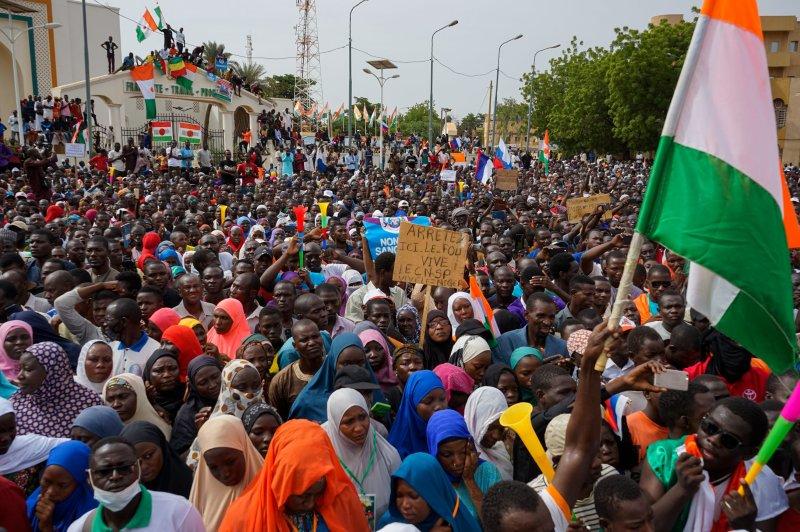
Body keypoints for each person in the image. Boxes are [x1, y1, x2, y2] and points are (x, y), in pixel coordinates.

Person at [640, 397, 788, 531]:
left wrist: (746, 527)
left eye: (729, 440)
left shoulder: (761, 479)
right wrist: (681, 489)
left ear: (749, 453)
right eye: (710, 427)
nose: (713, 440)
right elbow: (645, 528)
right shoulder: (664, 455)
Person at [218, 419, 370, 532]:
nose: (310, 503)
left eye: (317, 493)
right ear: (279, 481)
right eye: (301, 495)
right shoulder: (243, 517)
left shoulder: (343, 500)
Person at [68, 437, 205, 531]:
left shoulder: (179, 512)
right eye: (104, 471)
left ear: (138, 468)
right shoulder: (80, 528)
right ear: (89, 477)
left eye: (124, 468)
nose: (115, 476)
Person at [321, 387, 401, 517]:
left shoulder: (387, 453)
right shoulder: (323, 452)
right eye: (349, 422)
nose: (359, 428)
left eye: (363, 417)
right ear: (335, 424)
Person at [12, 342, 102, 437]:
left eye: (28, 369)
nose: (19, 376)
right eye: (19, 369)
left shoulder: (89, 403)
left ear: (52, 371)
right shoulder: (17, 403)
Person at [288, 332, 381, 422]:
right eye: (346, 364)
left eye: (359, 363)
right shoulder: (308, 404)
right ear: (333, 363)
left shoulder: (372, 393)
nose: (354, 369)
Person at [426, 408, 503, 518]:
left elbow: (496, 524)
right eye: (447, 455)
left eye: (463, 452)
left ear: (471, 446)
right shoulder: (431, 480)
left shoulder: (488, 472)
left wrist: (469, 480)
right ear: (435, 452)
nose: (457, 462)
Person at [378, 452, 481, 531]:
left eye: (413, 496)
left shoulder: (458, 522)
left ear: (433, 495)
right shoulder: (388, 524)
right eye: (399, 495)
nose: (405, 505)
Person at [25, 440, 97, 532]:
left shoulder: (91, 515)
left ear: (79, 483)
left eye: (62, 485)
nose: (50, 492)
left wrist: (47, 527)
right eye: (47, 481)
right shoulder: (32, 505)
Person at [121, 420, 193, 499]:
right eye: (134, 461)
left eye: (148, 456)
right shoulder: (123, 495)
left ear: (162, 448)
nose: (144, 467)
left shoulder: (190, 483)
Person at [388, 370, 447, 458]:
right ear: (413, 404)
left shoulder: (451, 426)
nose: (438, 407)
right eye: (428, 401)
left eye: (442, 399)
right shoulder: (398, 447)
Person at [170, 356, 222, 455]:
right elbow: (180, 458)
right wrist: (202, 434)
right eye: (203, 383)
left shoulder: (235, 396)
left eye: (215, 377)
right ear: (194, 386)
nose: (212, 385)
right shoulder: (187, 414)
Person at [464, 386, 513, 480]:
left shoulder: (501, 449)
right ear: (475, 420)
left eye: (501, 429)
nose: (496, 436)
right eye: (490, 428)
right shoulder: (463, 457)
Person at [101, 373, 171, 439]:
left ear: (139, 395)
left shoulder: (160, 429)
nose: (116, 404)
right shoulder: (104, 433)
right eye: (110, 399)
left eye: (123, 396)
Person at [142, 350, 184, 422]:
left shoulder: (189, 394)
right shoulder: (140, 402)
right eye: (158, 371)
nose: (167, 375)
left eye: (172, 369)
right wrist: (151, 403)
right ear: (148, 374)